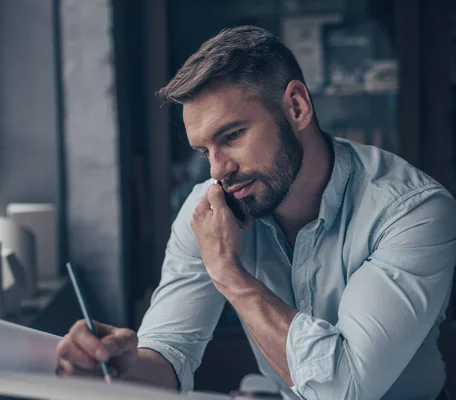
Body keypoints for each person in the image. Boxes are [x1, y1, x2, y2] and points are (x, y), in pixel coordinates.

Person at [55, 26, 456, 399]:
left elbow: (343, 388)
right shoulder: (208, 210)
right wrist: (119, 372)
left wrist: (229, 274)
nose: (218, 169)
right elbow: (170, 352)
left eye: (232, 136)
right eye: (204, 151)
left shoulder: (413, 212)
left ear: (297, 107)